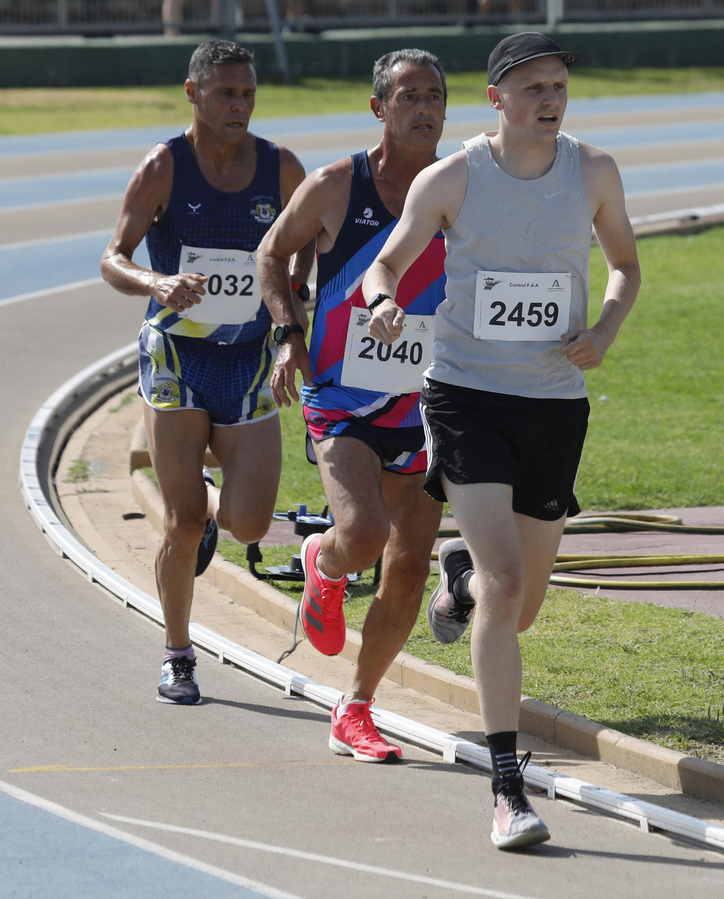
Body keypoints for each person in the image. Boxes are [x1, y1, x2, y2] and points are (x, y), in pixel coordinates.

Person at [361, 32, 641, 849]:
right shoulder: (454, 177)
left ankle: (460, 581)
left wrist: (607, 326)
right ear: (497, 99)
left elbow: (625, 264)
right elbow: (388, 262)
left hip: (554, 400)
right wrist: (382, 302)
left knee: (517, 607)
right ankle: (507, 788)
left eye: (558, 86)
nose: (550, 100)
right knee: (509, 582)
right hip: (465, 394)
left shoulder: (594, 171)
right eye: (533, 89)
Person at [100, 40, 309, 705]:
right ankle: (178, 652)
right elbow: (112, 257)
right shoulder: (164, 166)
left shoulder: (279, 168)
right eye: (225, 93)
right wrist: (155, 281)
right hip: (176, 359)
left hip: (247, 359)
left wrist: (290, 314)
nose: (238, 106)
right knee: (182, 521)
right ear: (193, 94)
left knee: (248, 524)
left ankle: (217, 501)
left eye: (247, 94)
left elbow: (310, 246)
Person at [256, 50, 448, 763]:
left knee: (408, 565)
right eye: (408, 97)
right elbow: (271, 255)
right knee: (364, 533)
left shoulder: (460, 188)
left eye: (434, 95)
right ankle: (326, 562)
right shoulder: (337, 186)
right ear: (379, 108)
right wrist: (288, 334)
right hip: (339, 396)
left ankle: (356, 706)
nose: (424, 108)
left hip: (424, 400)